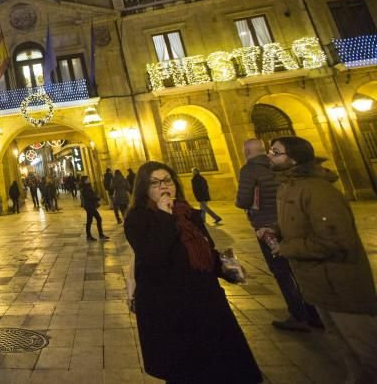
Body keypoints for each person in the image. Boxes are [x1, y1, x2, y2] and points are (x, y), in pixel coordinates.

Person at [125, 161, 261, 383]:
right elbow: (152, 256)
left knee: (223, 365)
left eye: (167, 180)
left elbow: (205, 249)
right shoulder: (138, 218)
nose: (163, 186)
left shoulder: (189, 213)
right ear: (144, 188)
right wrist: (164, 215)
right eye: (155, 183)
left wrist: (226, 267)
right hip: (170, 307)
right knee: (186, 369)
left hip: (206, 300)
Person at [259, 137, 377, 382]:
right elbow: (298, 222)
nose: (269, 155)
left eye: (276, 152)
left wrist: (286, 247)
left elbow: (336, 241)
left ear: (294, 159)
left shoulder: (318, 190)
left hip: (341, 285)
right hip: (319, 285)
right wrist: (275, 229)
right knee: (343, 345)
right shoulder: (289, 186)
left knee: (365, 347)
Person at [235, 139, 321, 332]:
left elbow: (243, 200)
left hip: (266, 227)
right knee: (298, 268)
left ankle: (298, 315)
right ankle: (314, 313)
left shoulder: (249, 170)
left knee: (281, 272)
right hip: (290, 222)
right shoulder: (281, 168)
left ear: (247, 151)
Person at [79, 177, 108, 241]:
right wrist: (97, 198)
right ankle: (98, 235)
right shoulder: (85, 188)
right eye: (87, 179)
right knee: (96, 219)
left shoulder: (86, 187)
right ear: (84, 181)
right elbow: (89, 197)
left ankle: (93, 235)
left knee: (91, 220)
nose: (89, 180)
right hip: (89, 206)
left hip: (89, 206)